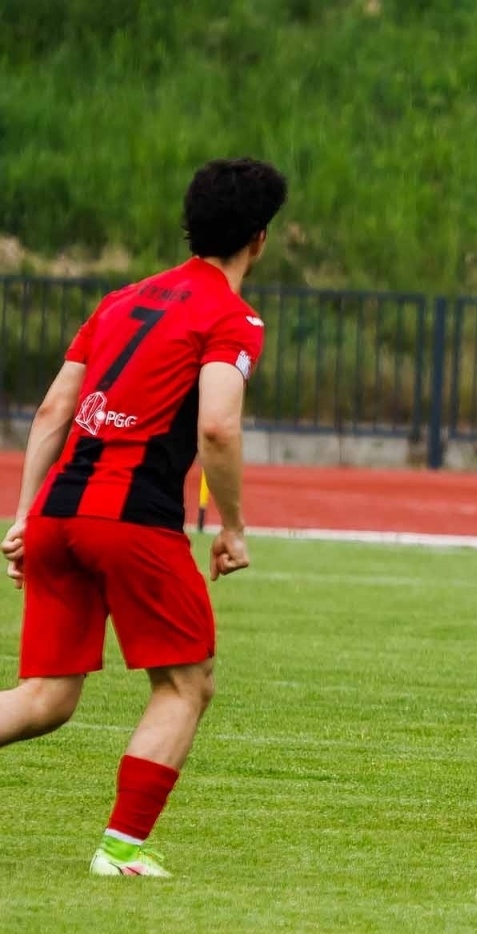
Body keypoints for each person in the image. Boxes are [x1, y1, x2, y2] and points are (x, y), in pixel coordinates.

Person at [0, 157, 286, 876]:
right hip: (130, 518)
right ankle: (121, 851)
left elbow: (51, 411)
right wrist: (234, 526)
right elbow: (217, 427)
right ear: (260, 239)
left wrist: (26, 514)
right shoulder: (232, 317)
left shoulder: (120, 300)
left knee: (45, 699)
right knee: (187, 683)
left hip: (62, 510)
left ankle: (123, 848)